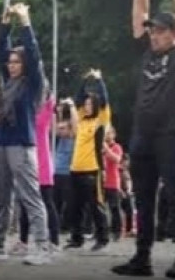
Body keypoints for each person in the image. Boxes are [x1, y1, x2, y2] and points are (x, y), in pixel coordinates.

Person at [111, 0, 175, 278]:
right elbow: (139, 16)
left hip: (172, 134)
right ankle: (141, 259)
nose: (153, 35)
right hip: (142, 135)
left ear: (174, 34)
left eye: (160, 31)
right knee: (143, 199)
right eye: (153, 32)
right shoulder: (146, 54)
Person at [0, 3, 51, 266]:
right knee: (2, 197)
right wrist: (4, 24)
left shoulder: (31, 84)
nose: (12, 65)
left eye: (17, 62)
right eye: (11, 62)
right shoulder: (7, 83)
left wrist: (25, 21)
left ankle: (42, 247)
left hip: (22, 145)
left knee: (30, 196)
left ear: (24, 65)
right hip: (2, 144)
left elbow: (35, 55)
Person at [11, 83, 61, 255]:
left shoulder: (45, 113)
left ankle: (54, 241)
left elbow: (49, 98)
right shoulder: (27, 114)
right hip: (28, 163)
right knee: (25, 204)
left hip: (43, 164)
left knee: (47, 203)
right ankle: (23, 241)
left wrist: (44, 88)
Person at [66, 69, 111, 252]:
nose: (87, 106)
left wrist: (99, 80)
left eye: (90, 103)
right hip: (76, 168)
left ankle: (102, 237)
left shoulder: (100, 121)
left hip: (92, 169)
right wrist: (84, 81)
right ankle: (77, 238)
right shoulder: (82, 120)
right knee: (75, 206)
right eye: (86, 103)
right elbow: (78, 98)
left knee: (96, 206)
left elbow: (105, 101)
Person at [53, 104, 76, 234]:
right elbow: (56, 126)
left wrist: (71, 108)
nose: (60, 131)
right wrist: (59, 112)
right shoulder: (57, 140)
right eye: (60, 129)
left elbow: (73, 124)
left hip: (67, 174)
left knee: (69, 202)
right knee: (56, 201)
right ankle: (56, 225)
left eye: (63, 129)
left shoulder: (72, 138)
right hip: (56, 173)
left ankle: (67, 226)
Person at [102, 126, 123, 242]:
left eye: (109, 133)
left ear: (113, 134)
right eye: (105, 133)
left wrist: (106, 149)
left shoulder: (116, 147)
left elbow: (117, 159)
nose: (107, 135)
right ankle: (101, 231)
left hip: (113, 182)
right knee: (100, 208)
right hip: (101, 182)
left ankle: (117, 231)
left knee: (114, 208)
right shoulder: (100, 148)